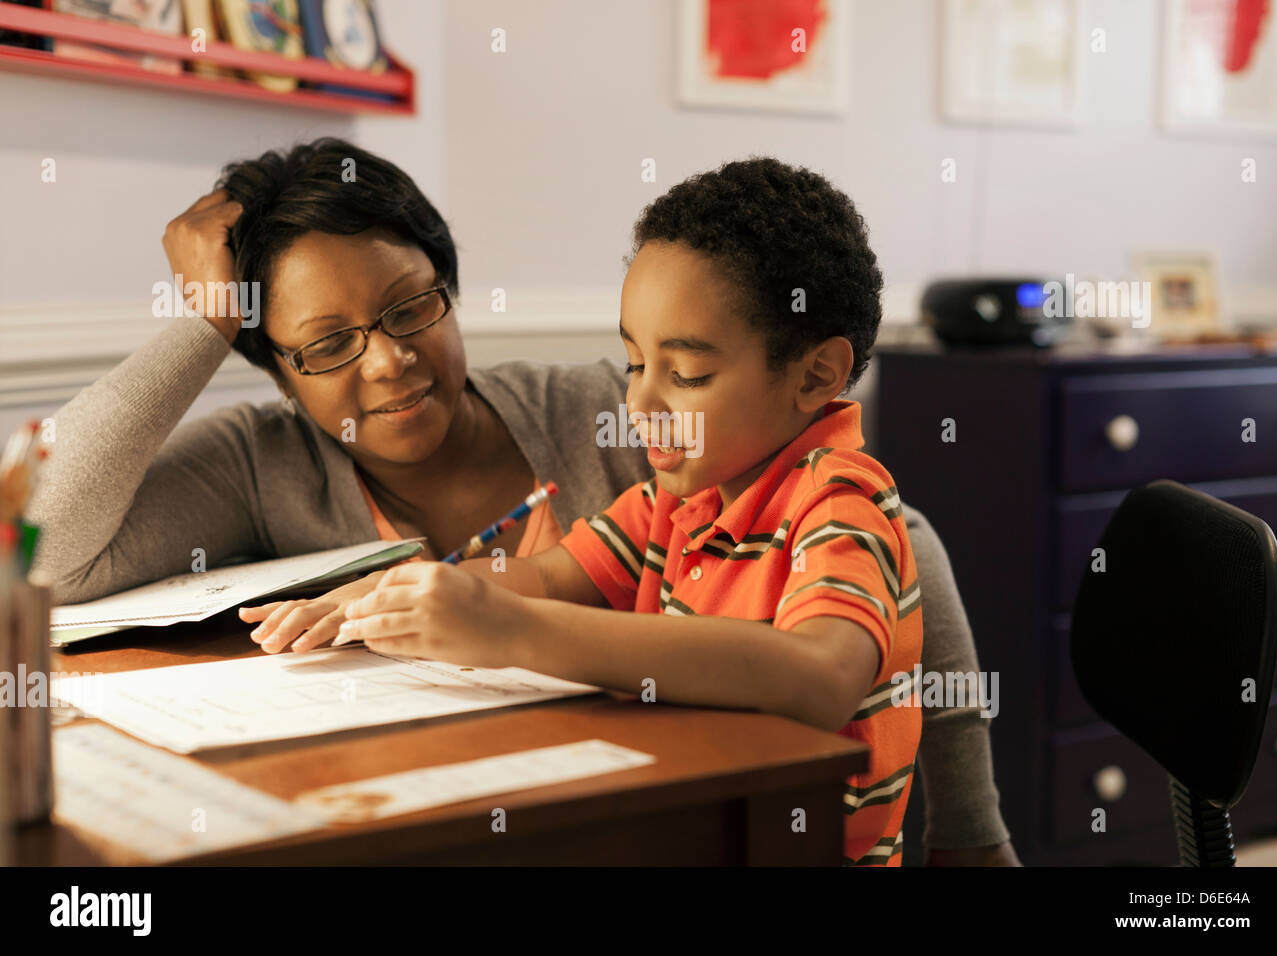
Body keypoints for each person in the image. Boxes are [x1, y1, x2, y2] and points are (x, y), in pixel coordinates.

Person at [27, 138, 1017, 866]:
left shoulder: (671, 440)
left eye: (411, 307)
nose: (388, 361)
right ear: (280, 372)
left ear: (449, 289)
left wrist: (973, 840)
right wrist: (397, 596)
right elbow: (40, 549)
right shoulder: (264, 460)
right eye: (325, 344)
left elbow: (886, 560)